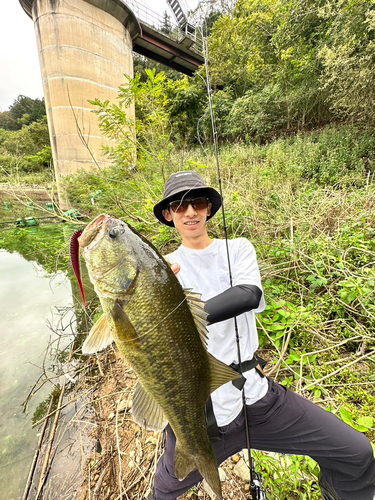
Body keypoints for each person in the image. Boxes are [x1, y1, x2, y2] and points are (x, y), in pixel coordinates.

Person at [148, 170, 375, 500]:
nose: (190, 212)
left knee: (356, 452)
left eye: (196, 202)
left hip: (259, 400)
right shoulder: (165, 270)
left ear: (208, 208)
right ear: (169, 215)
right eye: (179, 206)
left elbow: (248, 294)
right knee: (164, 492)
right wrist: (158, 291)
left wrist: (183, 318)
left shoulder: (238, 248)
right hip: (204, 416)